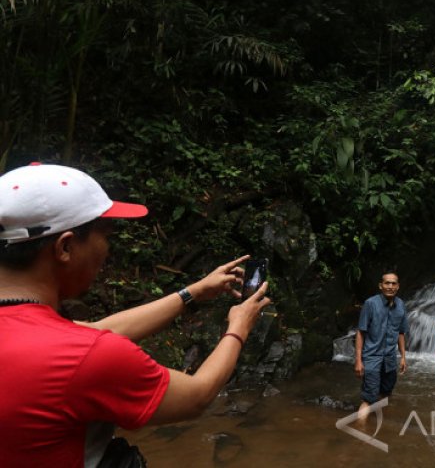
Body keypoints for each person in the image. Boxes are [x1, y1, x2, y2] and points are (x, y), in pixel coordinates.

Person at [0, 163, 271, 468]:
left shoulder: (46, 339)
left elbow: (97, 330)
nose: (107, 249)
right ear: (66, 246)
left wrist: (192, 292)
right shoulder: (84, 357)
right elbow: (196, 396)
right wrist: (239, 326)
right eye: (106, 234)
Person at [354, 271, 408, 420]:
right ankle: (360, 431)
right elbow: (361, 332)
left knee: (386, 393)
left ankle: (380, 424)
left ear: (398, 286)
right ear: (380, 286)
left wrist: (403, 357)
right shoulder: (371, 304)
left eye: (393, 283)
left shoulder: (401, 305)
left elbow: (401, 332)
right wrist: (358, 360)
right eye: (387, 283)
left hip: (390, 359)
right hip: (372, 357)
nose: (390, 286)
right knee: (368, 398)